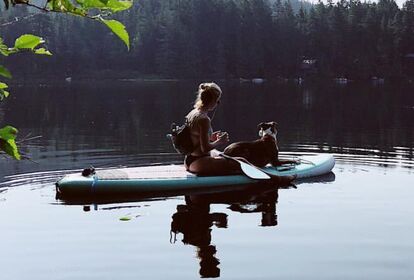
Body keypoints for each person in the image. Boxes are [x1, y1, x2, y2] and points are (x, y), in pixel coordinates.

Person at [184, 82, 295, 184]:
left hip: (189, 160)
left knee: (219, 153)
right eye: (217, 100)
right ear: (212, 100)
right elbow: (205, 149)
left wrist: (211, 137)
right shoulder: (204, 119)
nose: (218, 103)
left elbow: (195, 138)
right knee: (241, 161)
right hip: (200, 163)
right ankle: (279, 179)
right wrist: (219, 141)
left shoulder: (193, 113)